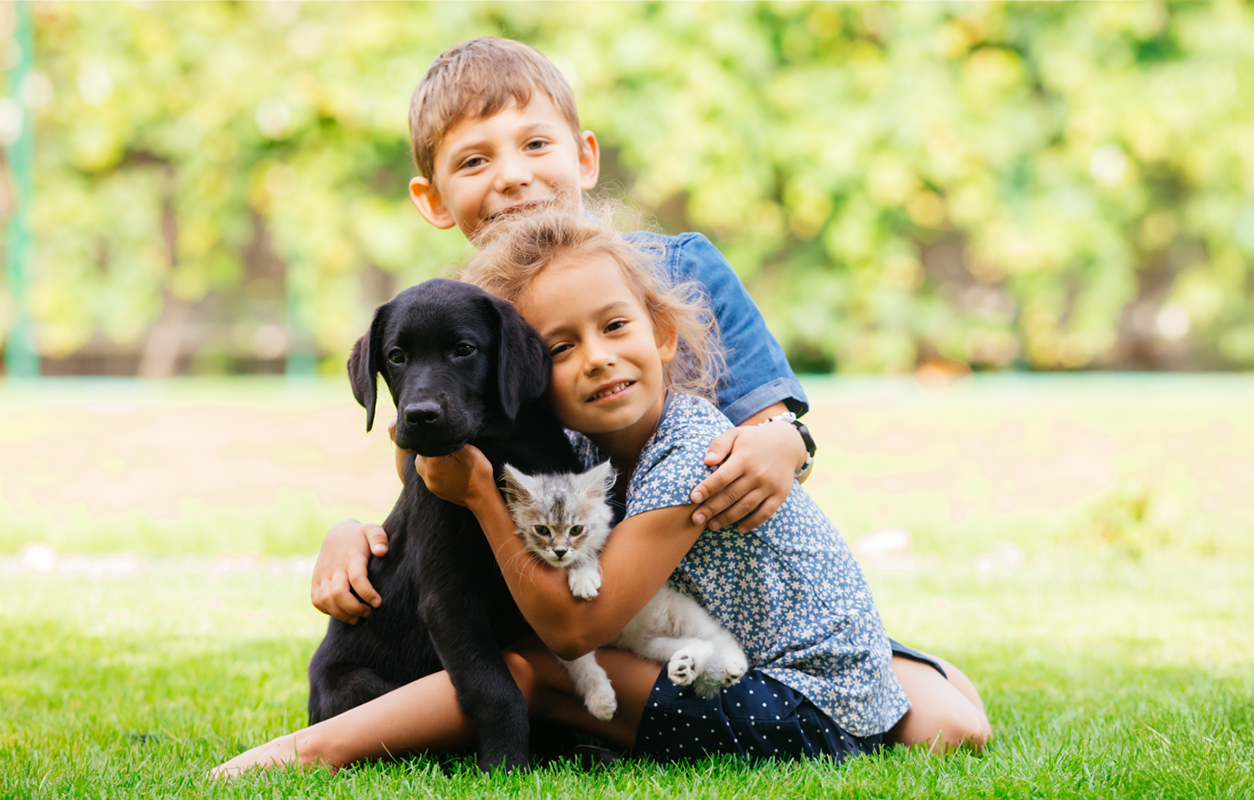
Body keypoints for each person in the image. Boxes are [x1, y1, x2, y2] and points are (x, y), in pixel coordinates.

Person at [308, 37, 990, 755]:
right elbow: (435, 478)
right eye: (475, 160)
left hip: (722, 592)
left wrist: (783, 441)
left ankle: (871, 667)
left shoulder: (677, 267)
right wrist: (354, 534)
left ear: (584, 157)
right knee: (546, 665)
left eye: (536, 143)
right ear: (432, 199)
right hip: (593, 597)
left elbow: (776, 424)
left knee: (957, 723)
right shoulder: (469, 319)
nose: (513, 178)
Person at [212, 211, 989, 777]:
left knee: (531, 665)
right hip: (735, 659)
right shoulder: (582, 452)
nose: (596, 360)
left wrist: (484, 495)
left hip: (787, 697)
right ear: (527, 372)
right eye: (561, 346)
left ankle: (307, 752)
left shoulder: (693, 449)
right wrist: (355, 526)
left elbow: (576, 626)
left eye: (616, 327)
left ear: (661, 336)